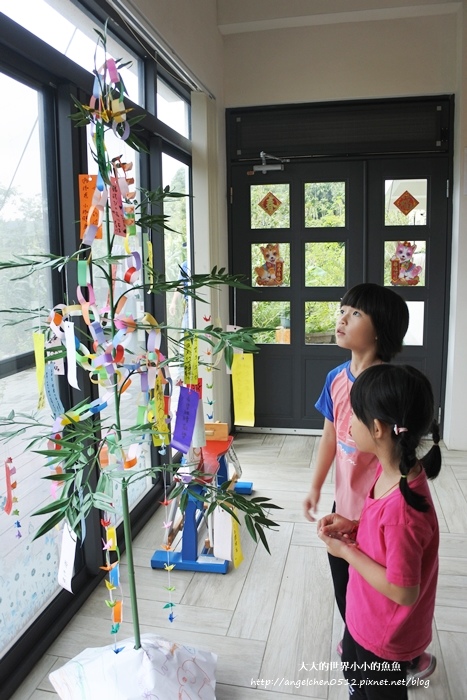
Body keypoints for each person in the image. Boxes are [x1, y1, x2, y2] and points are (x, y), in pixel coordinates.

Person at [317, 364, 441, 699]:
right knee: (355, 679)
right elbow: (383, 535)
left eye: (353, 416)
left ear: (376, 429)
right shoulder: (392, 472)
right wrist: (354, 528)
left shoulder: (405, 509)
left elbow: (404, 591)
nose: (347, 423)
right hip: (364, 615)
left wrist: (345, 552)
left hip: (384, 635)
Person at [303, 284, 409, 623]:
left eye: (357, 313)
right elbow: (330, 438)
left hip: (380, 514)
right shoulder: (335, 378)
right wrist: (316, 487)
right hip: (344, 505)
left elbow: (401, 454)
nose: (343, 319)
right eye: (343, 311)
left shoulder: (390, 388)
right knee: (342, 580)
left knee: (379, 589)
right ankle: (355, 638)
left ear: (381, 330)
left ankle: (396, 652)